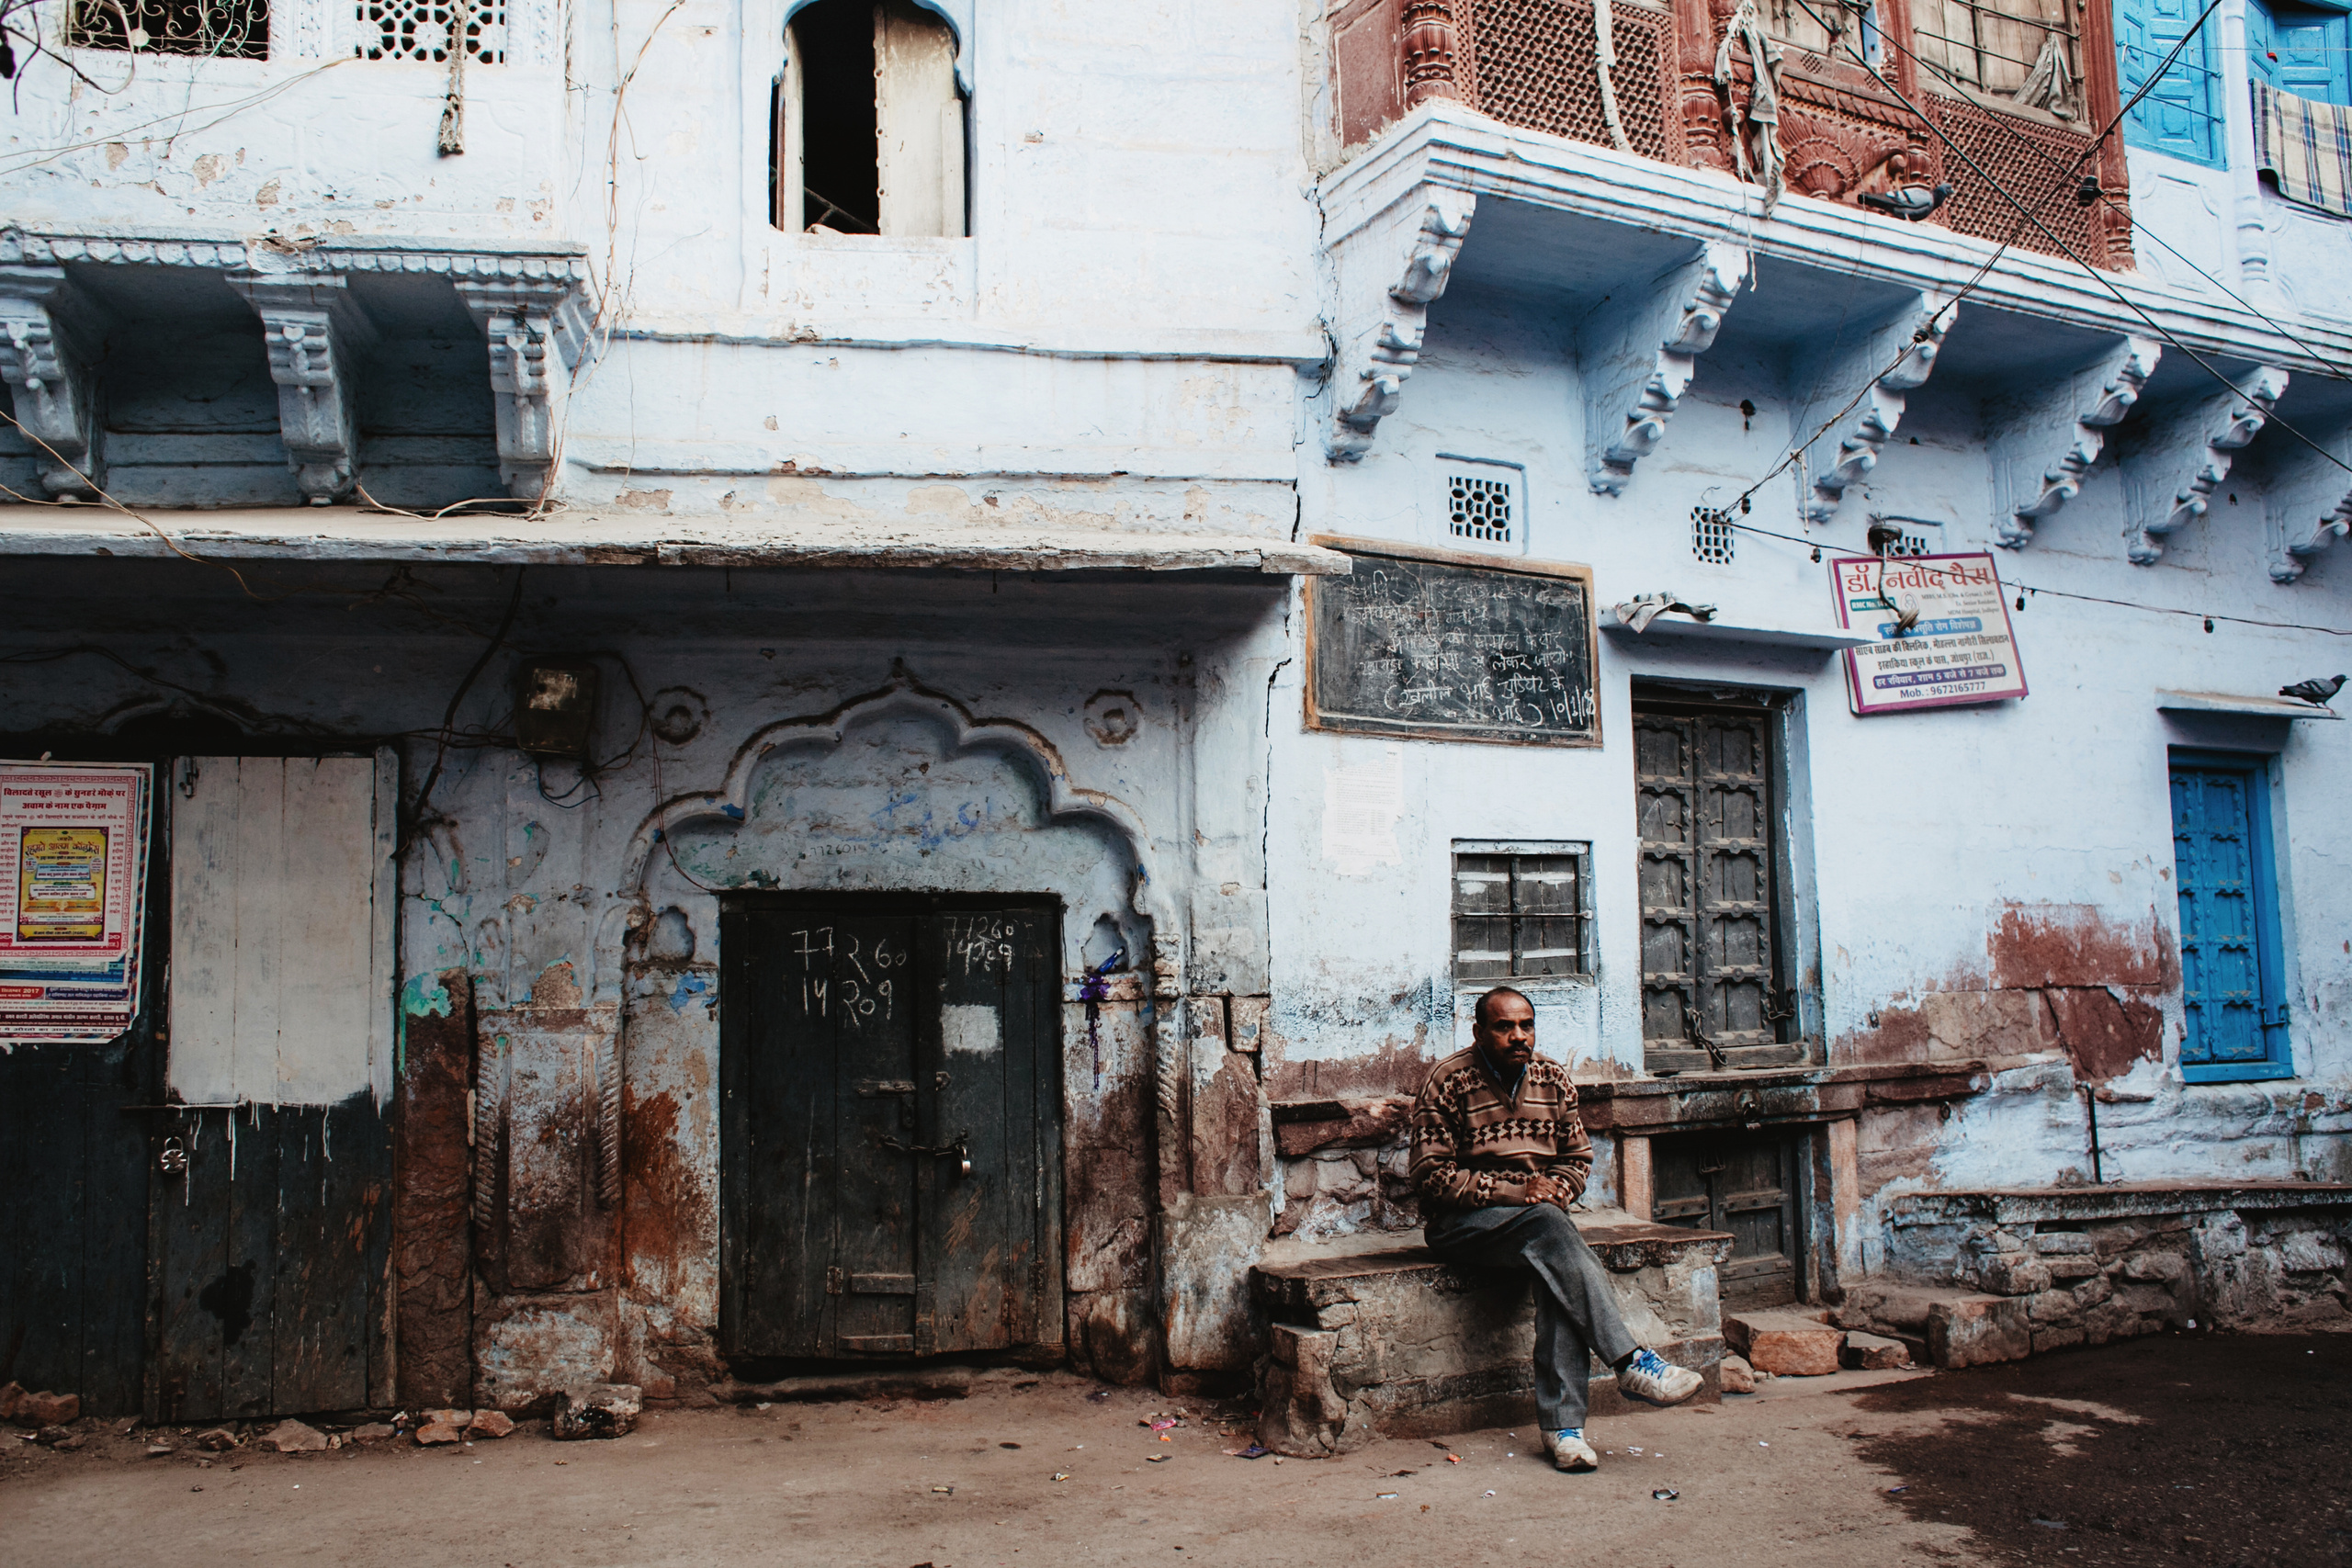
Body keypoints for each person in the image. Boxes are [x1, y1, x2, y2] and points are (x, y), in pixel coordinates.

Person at [1408, 985, 1704, 1472]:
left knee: (1553, 1256)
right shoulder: (1449, 1080)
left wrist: (1554, 1192)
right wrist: (1517, 1193)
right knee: (1551, 1233)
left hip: (1538, 1224)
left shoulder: (1552, 1078)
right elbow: (1431, 1178)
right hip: (1462, 1226)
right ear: (1479, 1031)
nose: (1518, 1036)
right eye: (1504, 1027)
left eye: (1526, 1025)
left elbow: (1577, 1159)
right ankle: (1630, 1363)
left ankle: (1565, 1434)